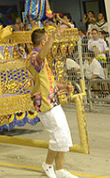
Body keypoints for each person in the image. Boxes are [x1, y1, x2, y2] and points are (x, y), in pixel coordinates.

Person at [27, 29, 77, 178]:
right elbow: (41, 56)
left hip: (52, 100)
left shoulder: (40, 58)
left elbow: (49, 80)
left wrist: (63, 86)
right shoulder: (34, 57)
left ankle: (60, 169)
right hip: (44, 102)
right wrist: (53, 37)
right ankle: (48, 164)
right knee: (58, 136)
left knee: (64, 135)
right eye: (47, 40)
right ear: (43, 42)